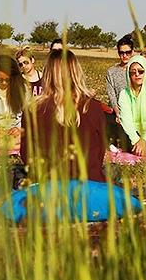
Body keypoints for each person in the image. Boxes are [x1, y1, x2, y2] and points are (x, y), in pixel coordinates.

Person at [21, 50, 106, 182]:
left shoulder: (33, 109)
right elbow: (100, 152)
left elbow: (27, 155)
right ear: (76, 72)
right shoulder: (93, 107)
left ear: (48, 75)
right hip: (89, 185)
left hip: (48, 186)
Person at [106, 34, 134, 122]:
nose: (124, 55)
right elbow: (112, 95)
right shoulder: (111, 72)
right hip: (118, 114)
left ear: (132, 52)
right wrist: (118, 113)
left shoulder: (138, 70)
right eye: (121, 53)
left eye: (127, 52)